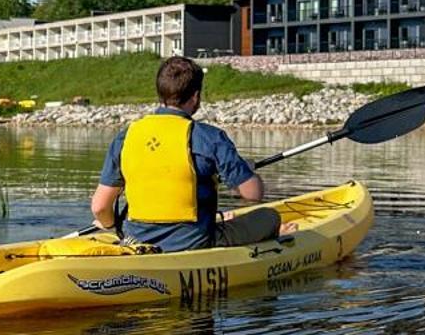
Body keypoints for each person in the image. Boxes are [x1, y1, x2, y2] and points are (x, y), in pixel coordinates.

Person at [90, 55, 282, 251]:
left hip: (136, 243)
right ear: (196, 96)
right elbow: (253, 193)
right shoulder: (211, 137)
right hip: (195, 244)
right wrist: (246, 171)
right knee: (270, 216)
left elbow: (99, 207)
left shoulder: (125, 138)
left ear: (160, 93)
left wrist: (112, 227)